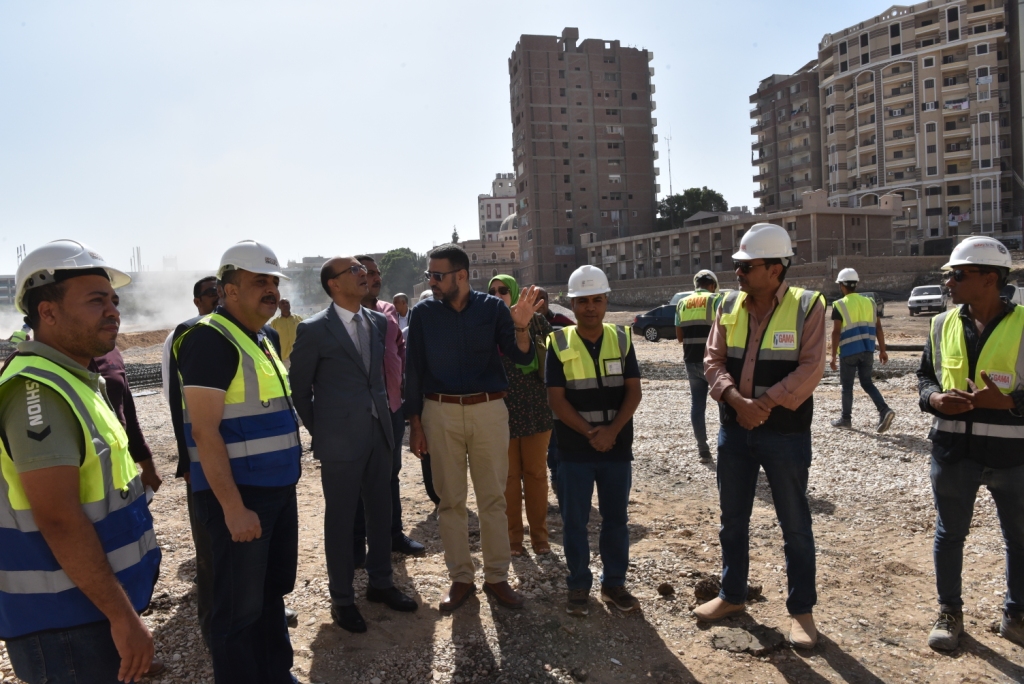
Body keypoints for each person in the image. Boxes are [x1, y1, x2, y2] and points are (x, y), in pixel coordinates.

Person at [0, 240, 160, 684]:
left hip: (89, 606)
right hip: (66, 624)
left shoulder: (76, 378)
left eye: (114, 301)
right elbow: (59, 518)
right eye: (96, 301)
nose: (113, 311)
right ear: (47, 312)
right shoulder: (38, 390)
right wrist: (123, 618)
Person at [174, 240, 301, 683]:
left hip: (277, 490)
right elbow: (204, 432)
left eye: (273, 281)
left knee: (271, 593)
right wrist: (232, 507)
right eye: (258, 281)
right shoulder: (209, 339)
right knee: (237, 611)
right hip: (242, 498)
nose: (271, 289)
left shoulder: (263, 337)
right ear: (229, 290)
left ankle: (276, 674)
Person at [698, 223, 825, 650]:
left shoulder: (808, 306)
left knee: (795, 524)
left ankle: (801, 611)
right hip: (735, 430)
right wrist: (739, 403)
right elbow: (712, 361)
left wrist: (763, 405)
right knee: (732, 520)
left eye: (747, 266)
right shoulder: (728, 305)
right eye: (737, 265)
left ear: (775, 269)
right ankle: (732, 594)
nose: (738, 273)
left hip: (784, 434)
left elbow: (811, 368)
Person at [406, 243, 542, 612]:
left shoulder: (492, 308)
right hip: (440, 412)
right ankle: (461, 578)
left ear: (462, 276)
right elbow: (413, 369)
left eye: (438, 276)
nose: (432, 282)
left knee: (493, 499)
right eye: (430, 275)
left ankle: (497, 577)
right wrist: (415, 423)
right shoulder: (423, 314)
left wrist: (521, 326)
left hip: (488, 410)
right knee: (450, 501)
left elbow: (521, 356)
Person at [290, 257, 417, 634]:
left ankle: (381, 583)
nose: (364, 275)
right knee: (342, 520)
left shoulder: (378, 322)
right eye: (355, 271)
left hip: (380, 434)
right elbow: (300, 390)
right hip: (339, 443)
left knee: (381, 512)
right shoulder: (313, 329)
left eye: (364, 269)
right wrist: (324, 431)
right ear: (333, 284)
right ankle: (342, 599)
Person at [916, 236, 1024, 651]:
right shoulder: (941, 324)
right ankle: (949, 612)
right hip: (953, 452)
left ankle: (1016, 615)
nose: (949, 283)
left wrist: (1010, 402)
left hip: (1012, 455)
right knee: (949, 535)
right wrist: (934, 400)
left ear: (990, 278)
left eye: (958, 275)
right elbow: (925, 378)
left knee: (1019, 538)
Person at [546, 266, 643, 617]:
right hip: (574, 451)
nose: (590, 307)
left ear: (606, 301)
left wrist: (612, 432)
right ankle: (578, 584)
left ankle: (614, 583)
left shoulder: (622, 338)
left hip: (616, 448)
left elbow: (634, 392)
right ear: (572, 304)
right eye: (583, 301)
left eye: (597, 300)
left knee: (616, 519)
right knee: (575, 522)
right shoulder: (558, 343)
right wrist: (592, 433)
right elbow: (556, 400)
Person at [352, 256, 424, 560]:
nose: (376, 277)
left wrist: (403, 387)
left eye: (377, 272)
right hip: (359, 413)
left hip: (392, 407)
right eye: (368, 273)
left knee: (391, 474)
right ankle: (357, 544)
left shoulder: (388, 310)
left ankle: (394, 534)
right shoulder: (343, 318)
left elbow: (399, 349)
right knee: (357, 478)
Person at [488, 274, 554, 557]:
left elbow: (552, 363)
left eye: (503, 290)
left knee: (536, 474)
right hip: (499, 413)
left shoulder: (538, 322)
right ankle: (513, 539)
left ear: (513, 292)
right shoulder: (486, 325)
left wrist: (521, 326)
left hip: (535, 409)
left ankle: (539, 537)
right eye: (492, 291)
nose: (498, 295)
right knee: (508, 478)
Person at [829, 268, 896, 432]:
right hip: (867, 350)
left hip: (849, 351)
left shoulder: (839, 305)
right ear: (856, 284)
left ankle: (846, 419)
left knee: (847, 387)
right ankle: (884, 410)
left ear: (841, 285)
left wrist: (832, 356)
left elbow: (836, 332)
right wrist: (883, 350)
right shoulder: (870, 302)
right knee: (867, 383)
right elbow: (878, 327)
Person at [91, 347, 163, 495]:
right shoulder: (52, 356)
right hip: (84, 477)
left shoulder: (111, 351)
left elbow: (128, 413)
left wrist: (148, 466)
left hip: (121, 475)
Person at [675, 269, 722, 463]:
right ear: (712, 285)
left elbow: (679, 337)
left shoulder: (682, 303)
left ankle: (703, 451)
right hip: (714, 361)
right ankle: (726, 448)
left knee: (697, 405)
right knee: (724, 403)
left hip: (691, 360)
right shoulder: (716, 300)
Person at [269, 298, 303, 368]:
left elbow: (305, 335)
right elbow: (271, 340)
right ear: (279, 307)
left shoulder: (298, 319)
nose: (285, 305)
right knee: (286, 374)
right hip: (283, 357)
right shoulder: (275, 322)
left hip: (298, 354)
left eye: (287, 303)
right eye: (283, 303)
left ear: (290, 305)